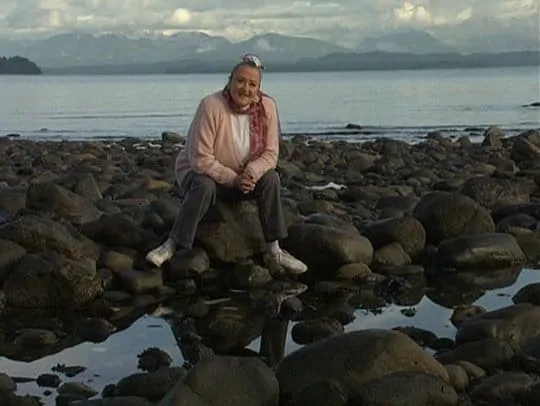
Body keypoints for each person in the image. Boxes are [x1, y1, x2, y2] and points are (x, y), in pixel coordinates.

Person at [146, 53, 307, 274]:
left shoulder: (267, 107)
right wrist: (234, 179)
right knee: (204, 185)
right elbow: (200, 158)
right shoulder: (211, 106)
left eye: (252, 84)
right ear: (230, 80)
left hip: (245, 178)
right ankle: (173, 243)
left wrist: (250, 174)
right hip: (203, 173)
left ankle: (274, 249)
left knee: (271, 178)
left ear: (258, 88)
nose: (245, 88)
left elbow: (271, 153)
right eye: (240, 81)